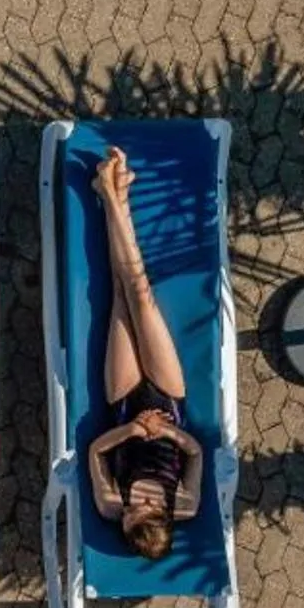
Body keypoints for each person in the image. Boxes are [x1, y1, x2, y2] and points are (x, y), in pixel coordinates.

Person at [82, 148, 203, 560]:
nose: (137, 506)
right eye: (146, 509)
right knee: (143, 297)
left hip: (122, 404)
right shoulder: (184, 505)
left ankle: (114, 194)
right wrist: (164, 430)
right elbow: (195, 451)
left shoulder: (110, 506)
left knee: (119, 294)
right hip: (169, 401)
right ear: (163, 516)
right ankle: (113, 196)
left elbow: (95, 452)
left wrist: (133, 430)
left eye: (131, 514)